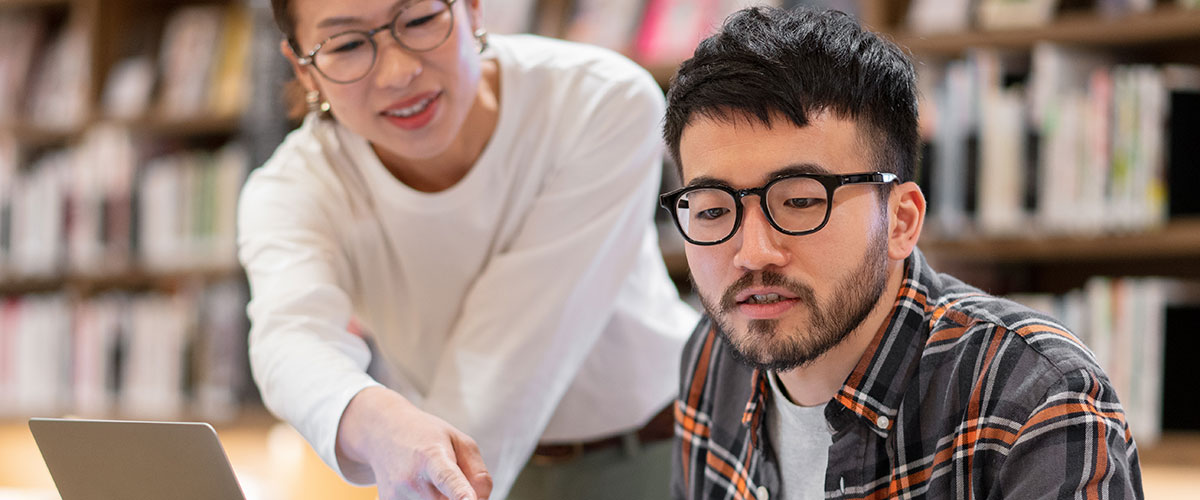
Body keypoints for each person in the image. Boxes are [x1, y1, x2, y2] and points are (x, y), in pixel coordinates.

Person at [659, 7, 1143, 499]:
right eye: (713, 211)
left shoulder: (1034, 399)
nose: (754, 254)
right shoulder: (712, 356)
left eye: (801, 201)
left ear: (901, 220)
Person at [237, 0, 698, 498]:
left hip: (650, 454)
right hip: (460, 459)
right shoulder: (293, 187)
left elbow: (511, 345)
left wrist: (431, 474)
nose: (399, 72)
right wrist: (375, 418)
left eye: (417, 21)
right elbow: (290, 337)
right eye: (346, 45)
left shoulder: (599, 100)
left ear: (474, 10)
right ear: (304, 69)